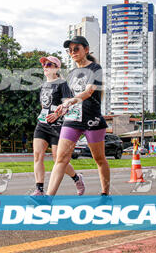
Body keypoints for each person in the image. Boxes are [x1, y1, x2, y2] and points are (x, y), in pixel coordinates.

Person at [47, 36, 109, 196]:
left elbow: (89, 91)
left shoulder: (96, 69)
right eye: (70, 50)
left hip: (92, 120)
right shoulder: (71, 73)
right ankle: (48, 199)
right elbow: (68, 97)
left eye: (76, 49)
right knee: (60, 159)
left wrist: (70, 102)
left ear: (86, 50)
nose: (72, 52)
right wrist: (61, 109)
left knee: (99, 159)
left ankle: (105, 194)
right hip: (72, 120)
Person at [31, 55, 85, 196]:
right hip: (42, 124)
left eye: (49, 65)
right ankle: (39, 189)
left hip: (58, 126)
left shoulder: (62, 84)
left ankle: (76, 177)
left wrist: (57, 114)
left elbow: (67, 105)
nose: (45, 67)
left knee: (58, 159)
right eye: (44, 64)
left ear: (56, 68)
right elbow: (44, 104)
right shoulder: (43, 85)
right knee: (37, 155)